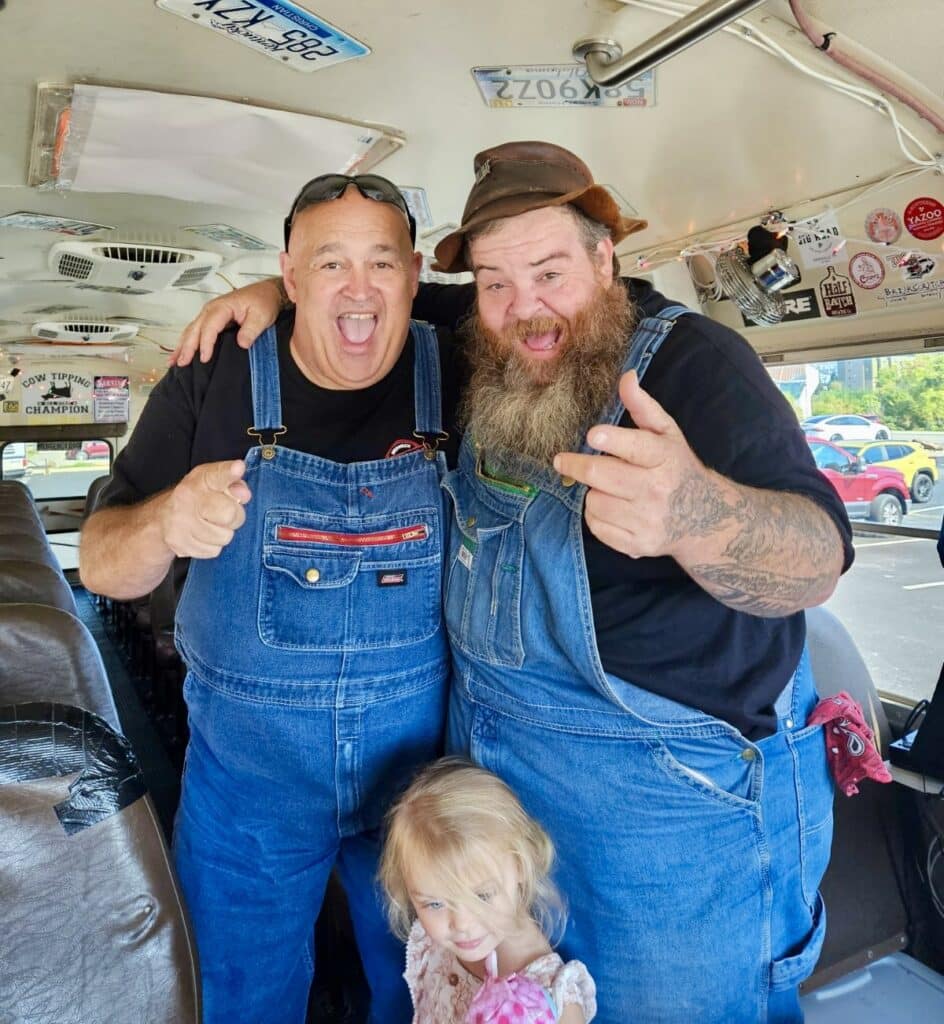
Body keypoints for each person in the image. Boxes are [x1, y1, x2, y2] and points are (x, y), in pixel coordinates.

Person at [173, 141, 854, 1023]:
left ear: (606, 258)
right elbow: (373, 288)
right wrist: (278, 292)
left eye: (550, 271)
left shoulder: (696, 366)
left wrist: (696, 516)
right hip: (501, 807)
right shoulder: (485, 347)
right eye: (494, 280)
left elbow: (818, 558)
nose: (524, 307)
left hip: (664, 817)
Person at [79, 173, 465, 1024]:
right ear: (290, 279)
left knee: (433, 1000)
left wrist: (282, 279)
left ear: (413, 277)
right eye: (330, 265)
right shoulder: (212, 373)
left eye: (382, 263)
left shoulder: (462, 353)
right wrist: (166, 523)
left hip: (421, 792)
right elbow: (105, 569)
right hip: (247, 785)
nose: (359, 290)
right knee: (237, 1002)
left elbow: (581, 292)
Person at [379, 757, 596, 1024]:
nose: (462, 924)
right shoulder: (436, 941)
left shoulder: (553, 998)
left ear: (519, 864)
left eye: (481, 896)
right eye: (435, 904)